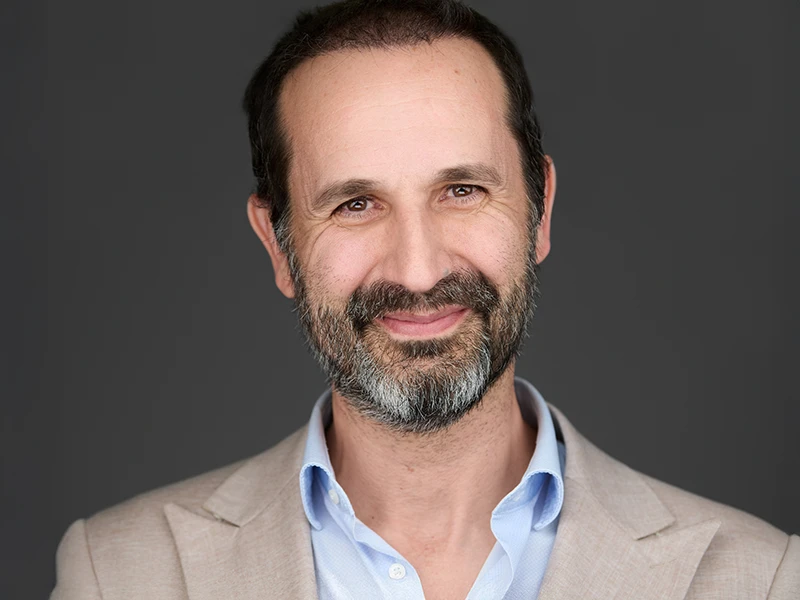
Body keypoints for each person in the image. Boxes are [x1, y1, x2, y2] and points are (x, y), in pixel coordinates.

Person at [50, 1, 798, 598]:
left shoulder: (759, 581)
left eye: (462, 190)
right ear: (277, 244)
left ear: (539, 214)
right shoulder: (120, 575)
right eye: (354, 204)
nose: (416, 268)